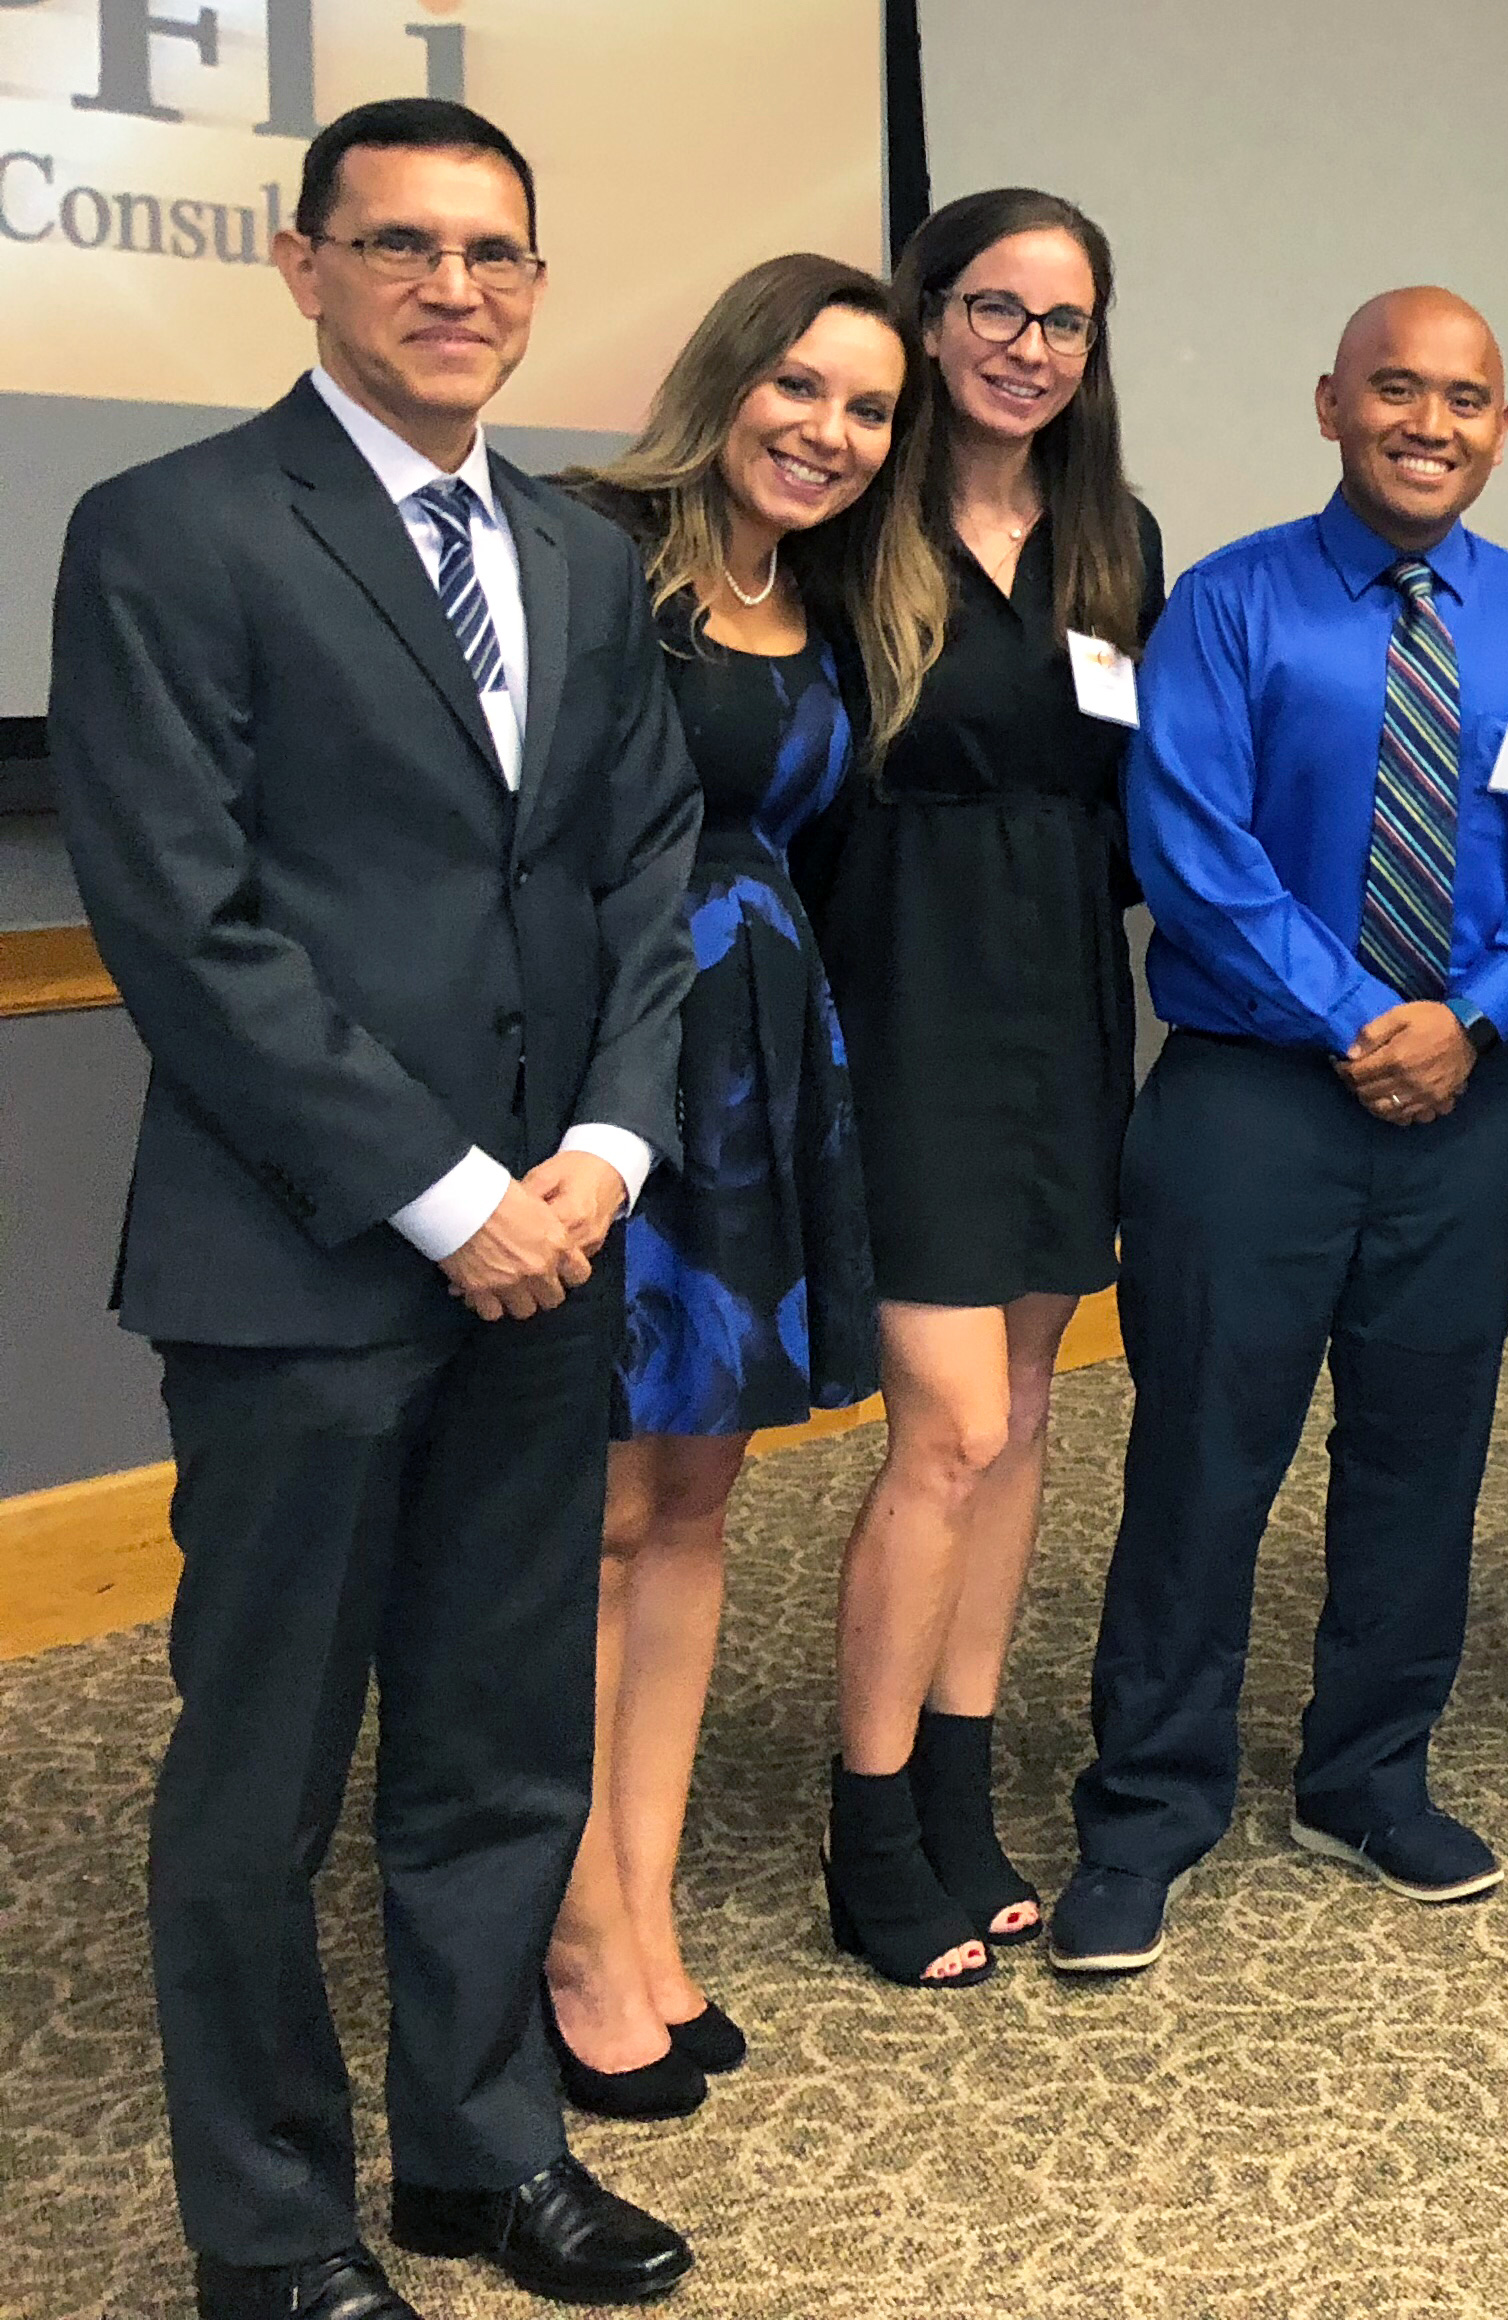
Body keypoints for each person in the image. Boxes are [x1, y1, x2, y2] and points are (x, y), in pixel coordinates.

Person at [51, 98, 697, 2317]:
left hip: (555, 1254)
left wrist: (602, 1157)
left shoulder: (590, 559)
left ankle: (478, 2153)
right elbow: (190, 924)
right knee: (264, 1769)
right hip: (304, 1265)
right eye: (404, 245)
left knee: (505, 1729)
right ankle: (270, 2228)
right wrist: (448, 1197)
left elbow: (640, 878)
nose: (457, 287)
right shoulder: (172, 528)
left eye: (497, 252)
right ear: (302, 262)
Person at [1047, 288, 1508, 1968]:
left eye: (1466, 397)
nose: (1430, 423)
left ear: (1501, 429)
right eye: (1398, 389)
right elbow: (1192, 843)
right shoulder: (1230, 604)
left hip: (1472, 1102)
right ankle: (1151, 1808)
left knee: (1421, 1455)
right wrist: (1357, 1019)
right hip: (1250, 1102)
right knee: (1200, 1463)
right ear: (1331, 404)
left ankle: (1368, 1774)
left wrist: (1480, 1010)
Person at [538, 254, 933, 2118]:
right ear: (725, 376)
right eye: (801, 388)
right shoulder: (587, 554)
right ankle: (571, 1923)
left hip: (765, 1064)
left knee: (692, 1500)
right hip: (608, 1068)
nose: (830, 433)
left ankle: (642, 1892)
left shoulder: (829, 597)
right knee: (594, 1512)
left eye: (866, 409)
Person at [791, 187, 1163, 1989]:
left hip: (1063, 1002)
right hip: (900, 997)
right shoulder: (847, 522)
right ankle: (869, 1827)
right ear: (929, 319)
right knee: (938, 1424)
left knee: (1019, 1409)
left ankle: (958, 1785)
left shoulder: (1111, 539)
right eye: (998, 310)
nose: (1030, 347)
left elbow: (1132, 802)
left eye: (1066, 321)